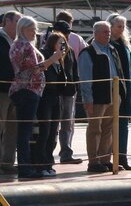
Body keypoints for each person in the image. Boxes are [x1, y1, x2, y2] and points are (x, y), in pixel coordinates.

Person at [11, 17, 64, 179]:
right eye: (32, 29)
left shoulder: (20, 45)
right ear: (23, 29)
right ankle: (25, 168)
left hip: (29, 91)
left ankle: (26, 166)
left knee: (26, 131)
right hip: (27, 91)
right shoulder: (23, 46)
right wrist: (52, 59)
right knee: (25, 132)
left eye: (35, 29)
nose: (35, 32)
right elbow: (33, 70)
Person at [78, 21, 122, 173]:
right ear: (95, 34)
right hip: (97, 97)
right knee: (95, 129)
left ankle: (105, 160)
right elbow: (85, 78)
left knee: (108, 129)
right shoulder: (87, 52)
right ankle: (93, 162)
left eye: (109, 31)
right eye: (105, 32)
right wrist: (88, 99)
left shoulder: (113, 50)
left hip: (113, 94)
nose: (108, 34)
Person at [32, 31, 72, 177]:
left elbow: (62, 80)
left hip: (56, 97)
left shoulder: (59, 58)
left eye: (64, 44)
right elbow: (42, 73)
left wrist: (60, 61)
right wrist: (53, 58)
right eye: (61, 43)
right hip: (45, 97)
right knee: (44, 131)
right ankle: (40, 163)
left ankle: (48, 162)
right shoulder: (45, 53)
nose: (63, 46)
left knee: (53, 132)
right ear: (53, 42)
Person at [53, 11, 85, 165]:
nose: (65, 36)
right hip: (54, 91)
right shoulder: (48, 48)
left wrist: (75, 84)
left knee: (66, 123)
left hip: (68, 90)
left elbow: (74, 68)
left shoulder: (71, 48)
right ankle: (49, 154)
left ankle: (66, 153)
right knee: (55, 123)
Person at [108, 14, 131, 170]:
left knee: (123, 126)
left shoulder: (125, 45)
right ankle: (108, 159)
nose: (122, 29)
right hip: (113, 91)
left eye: (123, 26)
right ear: (111, 26)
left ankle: (122, 158)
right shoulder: (107, 45)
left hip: (125, 90)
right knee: (109, 126)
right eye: (119, 26)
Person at [0, 12, 21, 174]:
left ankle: (7, 163)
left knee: (12, 128)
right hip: (1, 91)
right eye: (17, 21)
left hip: (17, 91)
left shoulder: (19, 42)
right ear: (7, 21)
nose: (20, 25)